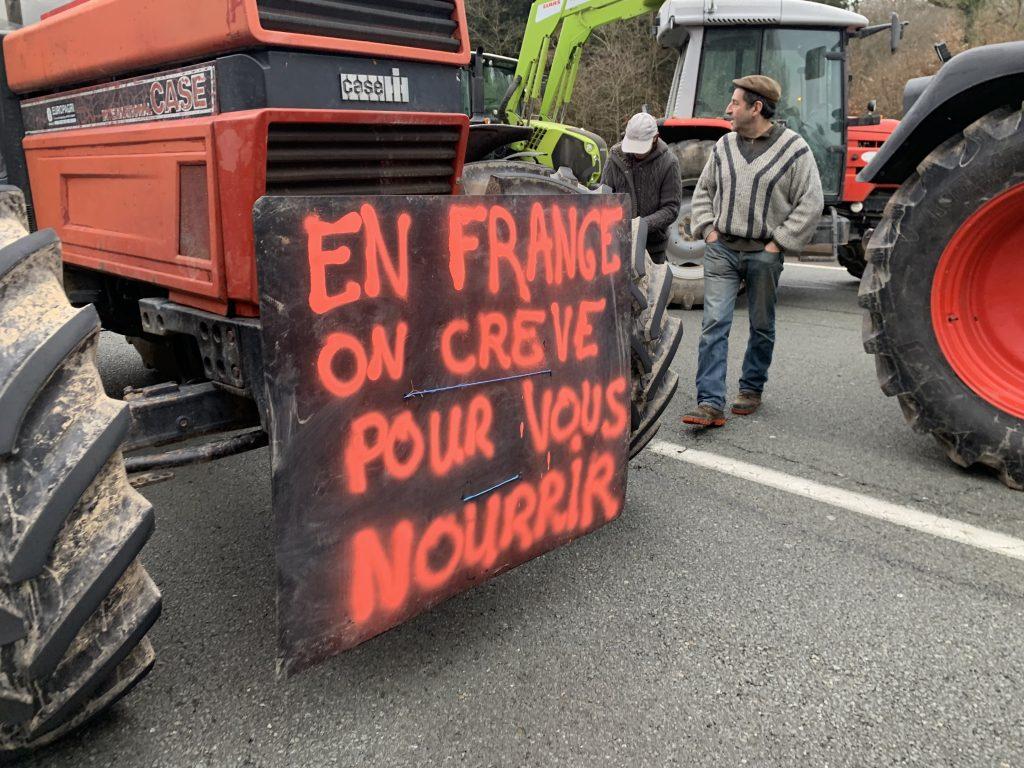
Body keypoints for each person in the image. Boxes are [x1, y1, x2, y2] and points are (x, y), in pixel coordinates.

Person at [683, 75, 824, 428]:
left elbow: (811, 202)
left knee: (761, 325)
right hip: (722, 250)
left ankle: (751, 388)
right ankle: (710, 402)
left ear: (756, 107)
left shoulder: (795, 150)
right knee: (714, 324)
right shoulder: (724, 146)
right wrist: (708, 230)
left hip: (764, 253)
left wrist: (778, 243)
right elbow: (703, 191)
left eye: (735, 103)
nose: (728, 109)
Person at [601, 112, 681, 264]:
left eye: (641, 148)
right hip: (616, 244)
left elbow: (671, 209)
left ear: (655, 138)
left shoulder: (669, 163)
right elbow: (603, 197)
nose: (636, 152)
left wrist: (640, 226)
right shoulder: (615, 157)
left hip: (652, 248)